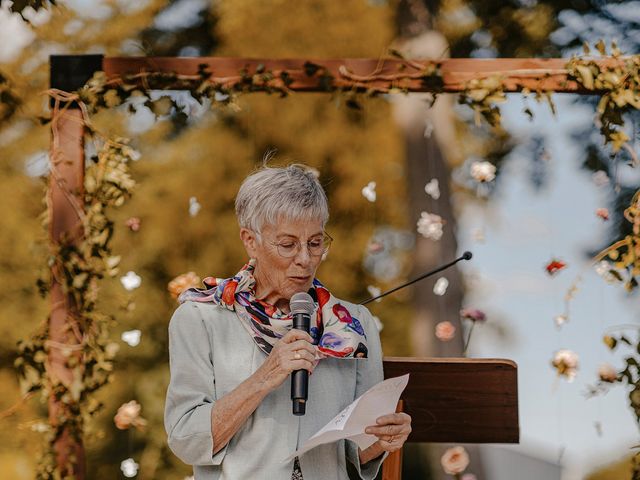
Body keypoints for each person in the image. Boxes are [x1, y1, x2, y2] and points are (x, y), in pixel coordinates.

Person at [164, 164, 412, 480]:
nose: (305, 259)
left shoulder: (353, 325)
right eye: (288, 244)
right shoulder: (200, 318)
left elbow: (354, 453)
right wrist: (268, 374)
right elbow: (186, 438)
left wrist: (381, 440)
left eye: (315, 242)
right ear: (250, 241)